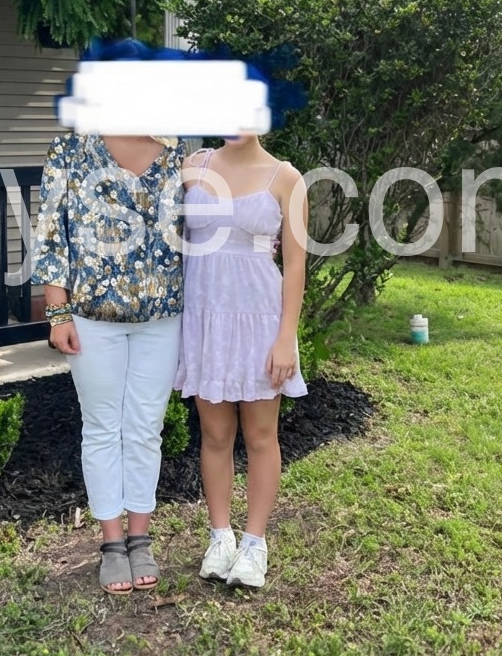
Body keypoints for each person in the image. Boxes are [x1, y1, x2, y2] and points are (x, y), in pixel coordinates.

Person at [33, 129, 185, 594]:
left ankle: (140, 539)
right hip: (92, 316)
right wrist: (57, 313)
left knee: (146, 428)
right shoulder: (71, 149)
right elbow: (52, 233)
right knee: (102, 427)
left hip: (163, 318)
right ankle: (112, 544)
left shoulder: (177, 151)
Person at [174, 133, 308, 589]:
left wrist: (286, 338)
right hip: (206, 318)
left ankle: (254, 544)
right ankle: (220, 537)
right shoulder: (193, 166)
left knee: (261, 435)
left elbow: (295, 265)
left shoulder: (286, 178)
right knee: (214, 434)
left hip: (259, 321)